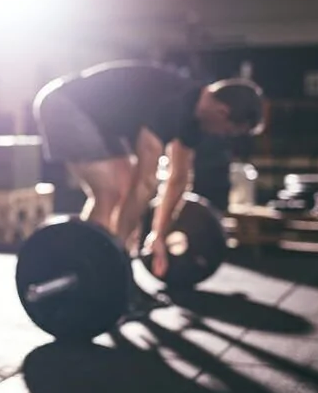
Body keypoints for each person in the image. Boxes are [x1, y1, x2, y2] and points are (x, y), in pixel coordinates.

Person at [32, 60, 264, 302]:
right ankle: (94, 270)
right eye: (228, 131)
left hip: (102, 121)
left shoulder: (193, 118)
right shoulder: (172, 105)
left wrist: (158, 236)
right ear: (222, 113)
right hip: (64, 104)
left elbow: (178, 179)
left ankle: (103, 268)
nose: (222, 136)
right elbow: (144, 183)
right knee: (112, 192)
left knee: (127, 195)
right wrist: (117, 256)